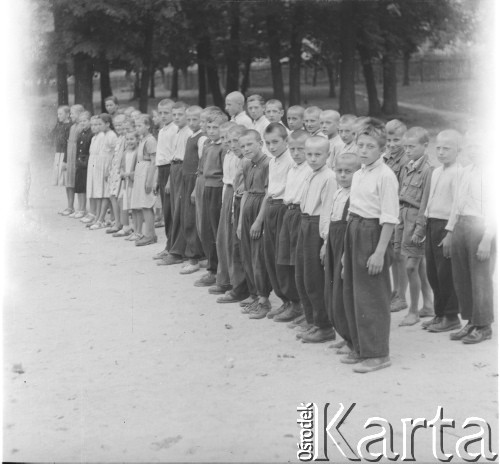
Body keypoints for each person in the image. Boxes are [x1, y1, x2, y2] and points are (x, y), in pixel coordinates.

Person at [342, 118, 399, 373]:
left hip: (373, 233)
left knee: (372, 295)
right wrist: (346, 251)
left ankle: (378, 353)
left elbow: (389, 218)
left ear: (382, 149)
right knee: (354, 292)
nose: (363, 150)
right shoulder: (358, 174)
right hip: (354, 229)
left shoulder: (386, 176)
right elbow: (353, 210)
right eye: (360, 145)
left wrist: (378, 252)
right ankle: (360, 347)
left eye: (369, 146)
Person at [445, 131, 495, 344]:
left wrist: (487, 238)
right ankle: (471, 321)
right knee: (462, 277)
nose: (474, 151)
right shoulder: (465, 172)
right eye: (471, 146)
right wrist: (450, 231)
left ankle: (484, 326)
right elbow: (457, 203)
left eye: (479, 146)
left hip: (480, 228)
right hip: (461, 225)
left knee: (480, 278)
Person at [295, 136, 337, 343]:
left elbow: (328, 210)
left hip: (317, 227)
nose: (312, 158)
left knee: (315, 278)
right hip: (305, 222)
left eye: (317, 154)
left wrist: (325, 240)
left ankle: (324, 325)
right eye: (309, 154)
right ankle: (312, 321)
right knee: (302, 275)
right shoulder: (310, 173)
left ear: (328, 155)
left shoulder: (329, 177)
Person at [420, 130, 463, 332]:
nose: (441, 152)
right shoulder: (436, 171)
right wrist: (424, 223)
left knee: (446, 273)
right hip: (432, 223)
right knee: (433, 273)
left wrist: (450, 233)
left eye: (447, 148)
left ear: (458, 151)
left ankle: (451, 316)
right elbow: (430, 200)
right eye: (438, 148)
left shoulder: (458, 173)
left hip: (446, 225)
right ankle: (439, 314)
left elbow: (457, 206)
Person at [320, 152, 361, 352]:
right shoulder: (338, 192)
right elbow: (330, 221)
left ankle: (353, 339)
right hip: (333, 243)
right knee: (333, 292)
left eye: (348, 172)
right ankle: (344, 335)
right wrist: (325, 243)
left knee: (345, 293)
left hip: (345, 243)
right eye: (339, 171)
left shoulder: (356, 195)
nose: (343, 175)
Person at [395, 127, 434, 326]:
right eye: (405, 147)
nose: (407, 150)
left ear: (425, 146)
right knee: (418, 263)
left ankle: (413, 311)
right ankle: (428, 304)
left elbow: (426, 203)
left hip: (417, 221)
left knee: (411, 266)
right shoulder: (406, 165)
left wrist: (420, 227)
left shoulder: (428, 169)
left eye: (412, 146)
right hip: (403, 217)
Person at [274, 130, 311, 324]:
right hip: (288, 211)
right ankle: (293, 303)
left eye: (300, 149)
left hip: (301, 214)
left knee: (299, 262)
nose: (296, 153)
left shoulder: (310, 169)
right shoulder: (293, 168)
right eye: (292, 149)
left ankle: (305, 307)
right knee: (284, 259)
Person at [260, 123, 294, 320]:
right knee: (271, 256)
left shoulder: (291, 161)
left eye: (275, 142)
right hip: (272, 206)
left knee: (283, 258)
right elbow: (270, 190)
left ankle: (294, 302)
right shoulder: (273, 162)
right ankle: (284, 300)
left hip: (283, 207)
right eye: (268, 143)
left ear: (285, 141)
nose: (271, 147)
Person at [237, 130, 273, 316]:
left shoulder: (268, 164)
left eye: (249, 144)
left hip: (260, 207)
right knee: (247, 254)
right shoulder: (246, 164)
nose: (245, 149)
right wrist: (240, 221)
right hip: (248, 206)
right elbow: (246, 192)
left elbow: (268, 194)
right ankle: (253, 294)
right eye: (242, 146)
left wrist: (259, 221)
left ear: (260, 143)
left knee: (259, 257)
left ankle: (264, 300)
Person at [216, 125, 250, 304]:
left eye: (236, 141)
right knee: (227, 242)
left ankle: (240, 287)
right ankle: (230, 281)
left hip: (241, 200)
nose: (232, 145)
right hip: (230, 197)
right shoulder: (231, 156)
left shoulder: (245, 160)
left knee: (237, 245)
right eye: (229, 141)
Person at [194, 109, 228, 287]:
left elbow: (224, 173)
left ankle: (218, 271)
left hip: (217, 190)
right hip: (206, 187)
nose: (212, 130)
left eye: (216, 127)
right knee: (206, 230)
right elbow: (201, 168)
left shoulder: (223, 147)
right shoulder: (208, 144)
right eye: (210, 126)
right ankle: (211, 267)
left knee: (216, 231)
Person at [159, 101, 193, 264]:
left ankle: (179, 251)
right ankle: (172, 246)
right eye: (175, 115)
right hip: (174, 168)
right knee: (173, 210)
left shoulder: (187, 133)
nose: (177, 118)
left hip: (182, 170)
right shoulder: (178, 131)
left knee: (180, 211)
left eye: (180, 114)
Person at [384, 119, 410, 313]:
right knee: (393, 254)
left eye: (396, 140)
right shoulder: (388, 157)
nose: (392, 144)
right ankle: (395, 291)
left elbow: (402, 189)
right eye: (389, 140)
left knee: (400, 256)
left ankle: (401, 296)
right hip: (389, 211)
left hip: (401, 212)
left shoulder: (404, 160)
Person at [210, 121, 238, 293]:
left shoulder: (237, 158)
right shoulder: (227, 155)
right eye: (224, 138)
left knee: (231, 241)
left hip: (234, 196)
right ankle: (224, 278)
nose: (227, 142)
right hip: (226, 195)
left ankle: (233, 282)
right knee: (222, 240)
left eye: (230, 139)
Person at [178, 106, 205, 274]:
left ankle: (194, 258)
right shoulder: (190, 136)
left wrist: (195, 188)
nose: (192, 123)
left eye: (195, 120)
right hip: (186, 180)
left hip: (194, 181)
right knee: (186, 218)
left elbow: (201, 164)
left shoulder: (201, 139)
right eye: (189, 120)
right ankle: (196, 255)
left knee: (191, 220)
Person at [152, 99, 176, 260]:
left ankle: (173, 246)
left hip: (170, 170)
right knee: (166, 211)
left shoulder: (175, 130)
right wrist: (156, 179)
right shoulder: (162, 130)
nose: (163, 116)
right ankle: (168, 244)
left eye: (166, 113)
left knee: (170, 211)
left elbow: (174, 156)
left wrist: (168, 180)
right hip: (161, 170)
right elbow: (159, 157)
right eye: (160, 113)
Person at [130, 114, 158, 246]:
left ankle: (150, 234)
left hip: (147, 171)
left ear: (148, 126)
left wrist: (149, 181)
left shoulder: (150, 140)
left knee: (147, 204)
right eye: (136, 126)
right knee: (143, 203)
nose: (138, 128)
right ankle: (148, 233)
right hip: (140, 171)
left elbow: (153, 161)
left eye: (140, 125)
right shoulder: (142, 139)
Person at [89, 114, 118, 230]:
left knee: (105, 193)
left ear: (107, 124)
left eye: (101, 124)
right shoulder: (103, 135)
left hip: (107, 167)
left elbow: (114, 153)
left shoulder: (112, 135)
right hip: (100, 165)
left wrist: (109, 169)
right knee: (99, 192)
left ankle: (101, 219)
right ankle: (98, 218)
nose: (99, 126)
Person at [114, 130, 138, 238]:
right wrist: (122, 172)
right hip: (125, 183)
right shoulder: (125, 152)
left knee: (133, 205)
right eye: (127, 139)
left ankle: (135, 227)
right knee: (121, 202)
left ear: (137, 140)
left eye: (132, 139)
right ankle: (125, 226)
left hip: (133, 183)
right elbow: (122, 166)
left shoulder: (138, 152)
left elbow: (139, 168)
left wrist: (129, 174)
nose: (129, 141)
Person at [106, 114, 127, 234]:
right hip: (114, 171)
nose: (118, 127)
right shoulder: (119, 138)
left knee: (120, 198)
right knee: (112, 195)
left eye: (121, 125)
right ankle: (117, 221)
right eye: (116, 125)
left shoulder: (126, 138)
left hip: (121, 171)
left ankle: (123, 223)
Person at [81, 116, 104, 225]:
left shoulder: (102, 137)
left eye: (97, 125)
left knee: (98, 190)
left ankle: (97, 215)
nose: (94, 127)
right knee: (92, 187)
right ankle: (93, 213)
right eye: (93, 125)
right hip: (92, 163)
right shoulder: (94, 137)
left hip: (98, 164)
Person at [63, 104, 85, 217]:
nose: (71, 115)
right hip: (70, 158)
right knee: (69, 183)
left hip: (76, 158)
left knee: (78, 183)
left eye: (72, 113)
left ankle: (81, 208)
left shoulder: (81, 127)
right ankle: (70, 206)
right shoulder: (72, 127)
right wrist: (66, 160)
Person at [73, 111, 93, 219]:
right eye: (81, 121)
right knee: (79, 187)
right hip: (79, 162)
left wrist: (85, 161)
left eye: (85, 121)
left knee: (84, 187)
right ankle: (80, 208)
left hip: (86, 162)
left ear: (90, 121)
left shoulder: (91, 134)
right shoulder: (81, 133)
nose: (82, 123)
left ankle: (84, 208)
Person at [52, 106, 72, 205]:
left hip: (65, 156)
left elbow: (68, 145)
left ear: (68, 114)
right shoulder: (59, 125)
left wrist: (65, 160)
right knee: (64, 182)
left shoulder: (69, 126)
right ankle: (69, 205)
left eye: (61, 114)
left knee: (68, 182)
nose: (58, 116)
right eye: (58, 114)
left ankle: (71, 205)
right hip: (59, 154)